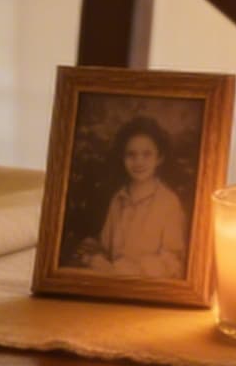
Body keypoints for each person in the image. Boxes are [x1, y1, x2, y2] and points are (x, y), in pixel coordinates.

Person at [68, 115, 189, 280]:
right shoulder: (118, 199)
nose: (138, 162)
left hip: (147, 289)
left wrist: (121, 271)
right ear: (123, 158)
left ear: (159, 158)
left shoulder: (169, 203)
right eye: (131, 155)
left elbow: (173, 262)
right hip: (111, 284)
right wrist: (93, 253)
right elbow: (107, 248)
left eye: (147, 154)